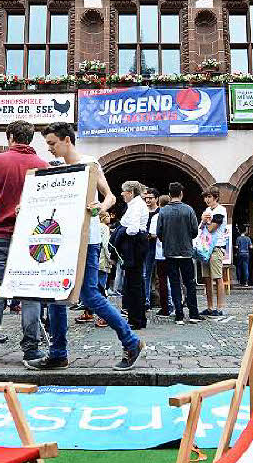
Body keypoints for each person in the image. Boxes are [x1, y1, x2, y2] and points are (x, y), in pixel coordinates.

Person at [34, 122, 143, 370]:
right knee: (56, 295)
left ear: (66, 140)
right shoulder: (56, 169)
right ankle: (58, 353)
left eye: (52, 143)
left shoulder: (89, 162)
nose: (49, 148)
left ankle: (131, 341)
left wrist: (99, 208)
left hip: (87, 238)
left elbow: (110, 197)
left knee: (90, 295)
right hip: (62, 238)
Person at [0, 120, 50, 367]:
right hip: (30, 234)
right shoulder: (42, 165)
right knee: (30, 292)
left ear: (11, 136)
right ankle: (31, 350)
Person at [157, 182, 202, 324]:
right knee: (190, 283)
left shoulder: (163, 211)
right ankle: (194, 314)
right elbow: (195, 231)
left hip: (170, 252)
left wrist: (167, 240)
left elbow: (159, 232)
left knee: (175, 283)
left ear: (170, 195)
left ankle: (179, 315)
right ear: (181, 194)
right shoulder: (188, 210)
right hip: (186, 252)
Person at [116, 180, 150, 329]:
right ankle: (138, 317)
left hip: (135, 243)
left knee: (133, 283)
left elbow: (133, 228)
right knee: (136, 282)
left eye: (124, 192)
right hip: (137, 244)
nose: (122, 195)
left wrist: (124, 232)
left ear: (130, 193)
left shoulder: (136, 206)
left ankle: (135, 319)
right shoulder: (136, 205)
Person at [199, 188, 228, 317]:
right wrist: (203, 221)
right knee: (207, 278)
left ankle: (219, 307)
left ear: (215, 197)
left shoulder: (220, 210)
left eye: (209, 197)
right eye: (205, 197)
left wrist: (206, 221)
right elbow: (200, 227)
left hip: (216, 246)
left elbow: (211, 228)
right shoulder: (207, 211)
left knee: (217, 277)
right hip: (206, 246)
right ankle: (209, 307)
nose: (207, 199)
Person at [150, 193, 173, 317]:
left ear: (159, 203)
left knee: (162, 281)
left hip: (161, 253)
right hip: (175, 252)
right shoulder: (174, 215)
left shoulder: (157, 217)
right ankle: (176, 305)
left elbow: (154, 234)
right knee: (175, 280)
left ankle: (165, 307)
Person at [141, 188, 160, 310]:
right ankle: (146, 300)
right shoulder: (143, 211)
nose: (147, 200)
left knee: (162, 276)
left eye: (150, 198)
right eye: (146, 198)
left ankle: (167, 302)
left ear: (156, 199)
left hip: (158, 246)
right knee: (145, 275)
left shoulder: (160, 212)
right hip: (145, 247)